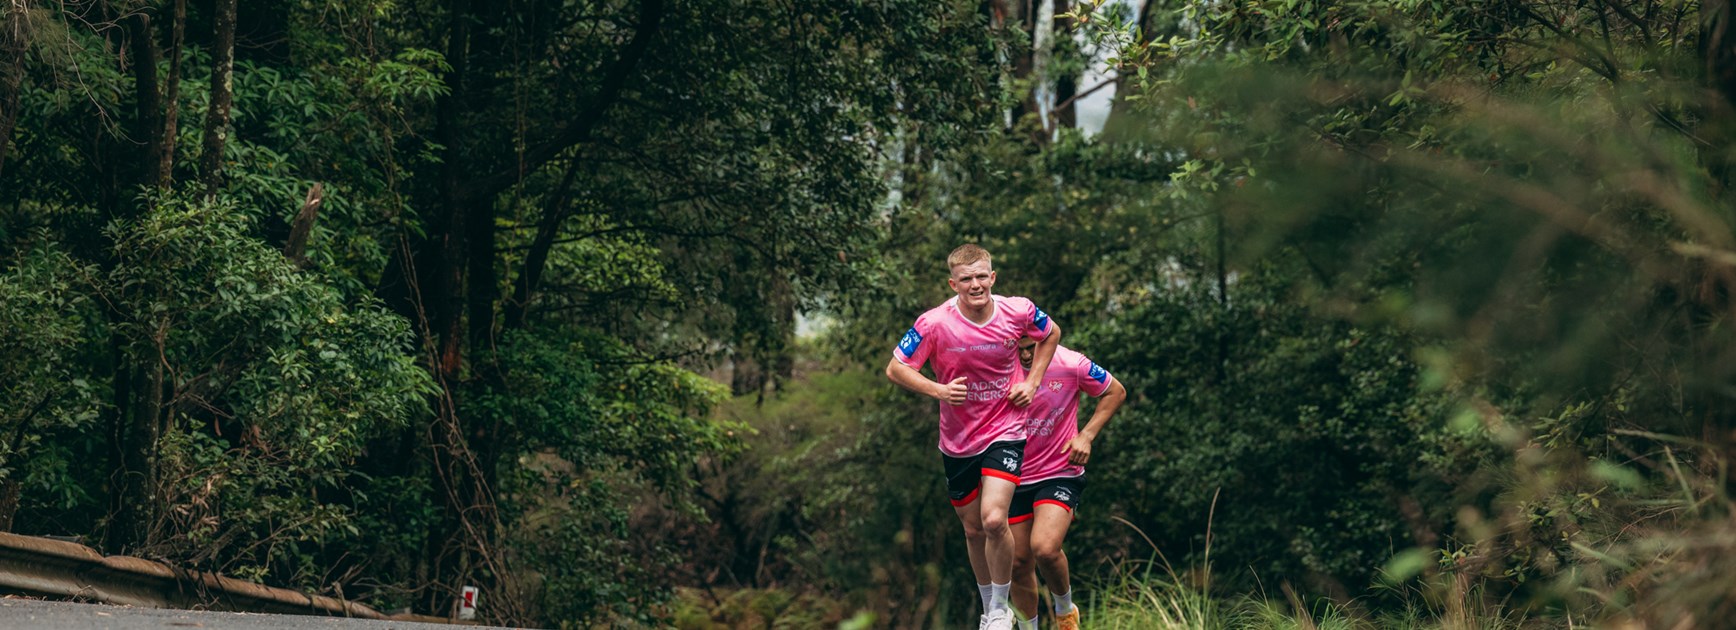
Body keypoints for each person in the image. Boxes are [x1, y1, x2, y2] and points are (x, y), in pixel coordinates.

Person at [885, 244, 1061, 630]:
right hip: (958, 440)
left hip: (1007, 429)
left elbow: (1051, 334)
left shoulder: (1018, 310)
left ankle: (1000, 609)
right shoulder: (933, 323)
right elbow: (896, 368)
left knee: (995, 520)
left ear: (993, 278)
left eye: (983, 276)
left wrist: (1032, 382)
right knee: (973, 529)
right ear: (954, 283)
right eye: (967, 279)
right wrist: (940, 391)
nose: (976, 284)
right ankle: (989, 610)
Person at [1007, 338, 1126, 630]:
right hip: (1012, 474)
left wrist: (1086, 435)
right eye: (1017, 347)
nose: (1023, 355)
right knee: (1018, 562)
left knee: (1045, 547)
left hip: (1059, 470)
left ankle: (1065, 611)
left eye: (1029, 348)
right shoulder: (1001, 365)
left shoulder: (1071, 363)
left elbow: (1115, 391)